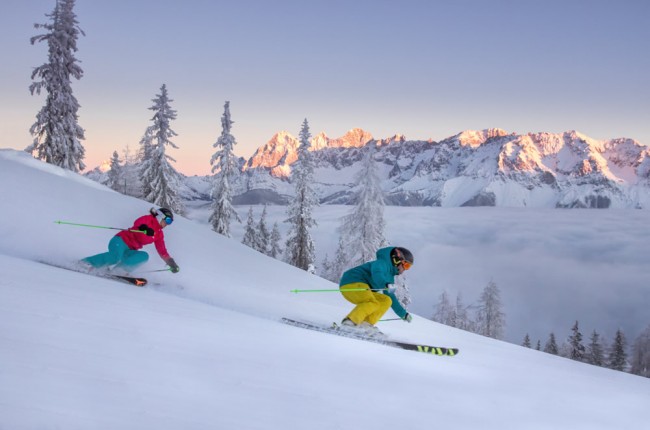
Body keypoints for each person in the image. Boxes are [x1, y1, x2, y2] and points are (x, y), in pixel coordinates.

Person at [82, 207, 180, 274]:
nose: (168, 224)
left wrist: (170, 262)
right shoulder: (148, 219)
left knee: (144, 256)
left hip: (130, 249)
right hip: (120, 241)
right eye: (167, 220)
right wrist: (144, 228)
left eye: (170, 222)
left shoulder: (159, 234)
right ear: (159, 216)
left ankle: (119, 271)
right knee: (115, 257)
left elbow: (162, 250)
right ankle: (86, 263)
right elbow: (138, 224)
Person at [339, 246, 413, 332]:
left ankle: (366, 324)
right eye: (406, 265)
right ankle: (350, 322)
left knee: (386, 300)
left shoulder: (390, 278)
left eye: (409, 267)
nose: (406, 269)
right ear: (397, 259)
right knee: (372, 302)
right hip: (352, 283)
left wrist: (403, 314)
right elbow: (377, 274)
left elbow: (392, 297)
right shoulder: (381, 263)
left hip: (364, 289)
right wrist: (385, 284)